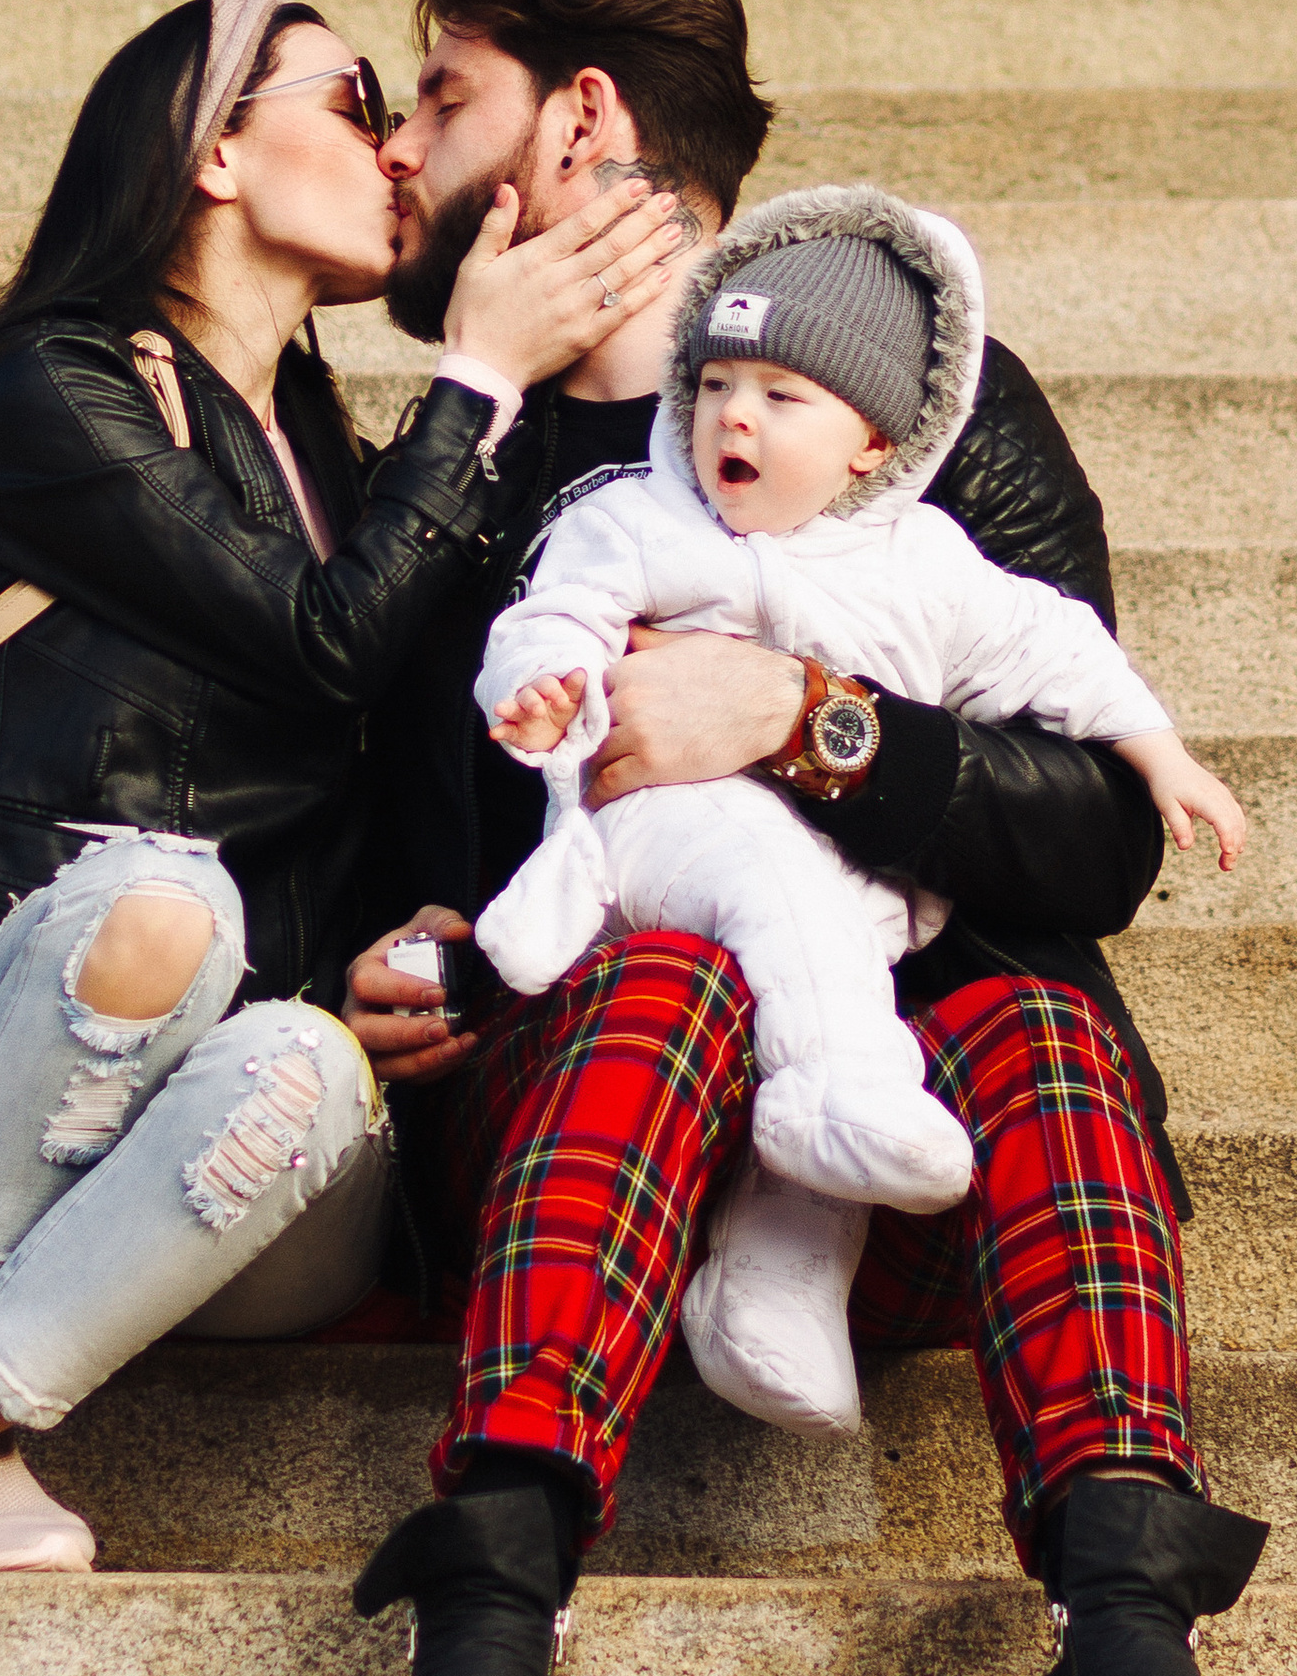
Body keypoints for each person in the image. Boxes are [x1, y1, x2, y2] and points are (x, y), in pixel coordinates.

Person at [336, 0, 1297, 1676]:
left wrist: (801, 718)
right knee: (661, 974)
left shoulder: (926, 426)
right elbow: (329, 784)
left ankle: (1123, 1652)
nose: (399, 155)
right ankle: (481, 1633)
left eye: (442, 97)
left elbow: (1092, 833)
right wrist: (370, 952)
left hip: (918, 1145)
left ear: (575, 120)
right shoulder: (465, 473)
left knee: (1030, 1016)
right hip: (579, 1135)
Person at [0, 0, 686, 1578]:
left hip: (226, 1175)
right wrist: (476, 383)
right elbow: (325, 641)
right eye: (354, 105)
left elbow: (381, 734)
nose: (400, 154)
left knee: (314, 1063)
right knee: (155, 897)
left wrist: (381, 967)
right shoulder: (51, 389)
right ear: (214, 154)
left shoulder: (338, 452)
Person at [472, 184, 1243, 1437]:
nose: (735, 415)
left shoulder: (921, 560)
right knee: (769, 929)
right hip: (664, 871)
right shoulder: (637, 517)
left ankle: (775, 1303)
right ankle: (512, 1522)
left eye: (783, 398)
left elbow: (1053, 653)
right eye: (717, 384)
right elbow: (553, 615)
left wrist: (1158, 754)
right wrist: (542, 688)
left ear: (872, 443)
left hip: (856, 918)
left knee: (858, 978)